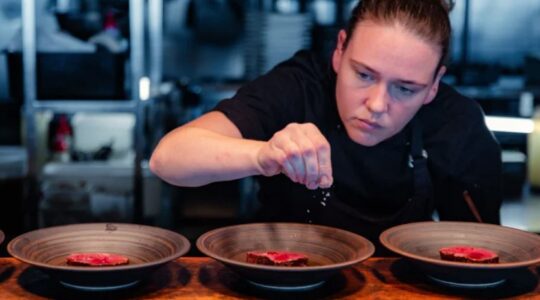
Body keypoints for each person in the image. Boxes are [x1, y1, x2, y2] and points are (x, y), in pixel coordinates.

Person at [150, 0, 502, 251]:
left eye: (405, 89)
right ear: (340, 50)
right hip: (279, 280)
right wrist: (263, 155)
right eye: (363, 74)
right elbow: (168, 159)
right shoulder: (299, 86)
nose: (377, 105)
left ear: (435, 84)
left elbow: (484, 252)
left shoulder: (457, 125)